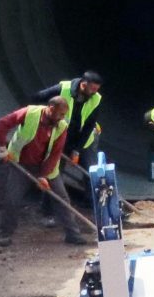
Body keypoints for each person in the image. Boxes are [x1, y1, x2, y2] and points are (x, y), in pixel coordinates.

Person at [0, 96, 84, 243]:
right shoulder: (30, 113)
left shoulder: (61, 126)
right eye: (60, 114)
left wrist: (43, 175)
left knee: (62, 199)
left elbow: (55, 153)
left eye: (64, 115)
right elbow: (3, 124)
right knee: (12, 199)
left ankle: (73, 235)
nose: (62, 118)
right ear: (51, 108)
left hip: (47, 166)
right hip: (21, 163)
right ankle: (5, 235)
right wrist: (2, 148)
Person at [28, 72, 104, 204]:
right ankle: (48, 211)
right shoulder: (63, 89)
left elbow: (88, 126)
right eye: (92, 89)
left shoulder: (96, 98)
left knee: (92, 172)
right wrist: (42, 118)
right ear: (83, 84)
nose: (94, 92)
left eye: (97, 89)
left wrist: (77, 150)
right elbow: (37, 97)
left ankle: (95, 205)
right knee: (53, 173)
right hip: (60, 139)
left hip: (84, 140)